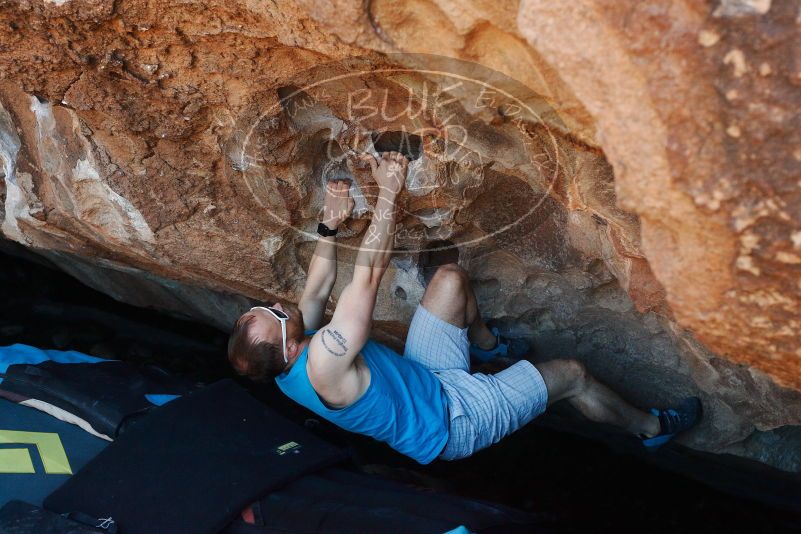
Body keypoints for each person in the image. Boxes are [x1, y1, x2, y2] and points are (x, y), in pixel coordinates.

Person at [227, 151, 701, 464]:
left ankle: (490, 347)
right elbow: (366, 276)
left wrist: (329, 224)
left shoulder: (286, 357)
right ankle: (651, 428)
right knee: (572, 374)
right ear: (289, 343)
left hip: (427, 379)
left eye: (265, 306)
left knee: (451, 280)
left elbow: (316, 289)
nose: (276, 303)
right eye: (275, 313)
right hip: (455, 420)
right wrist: (388, 191)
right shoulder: (325, 362)